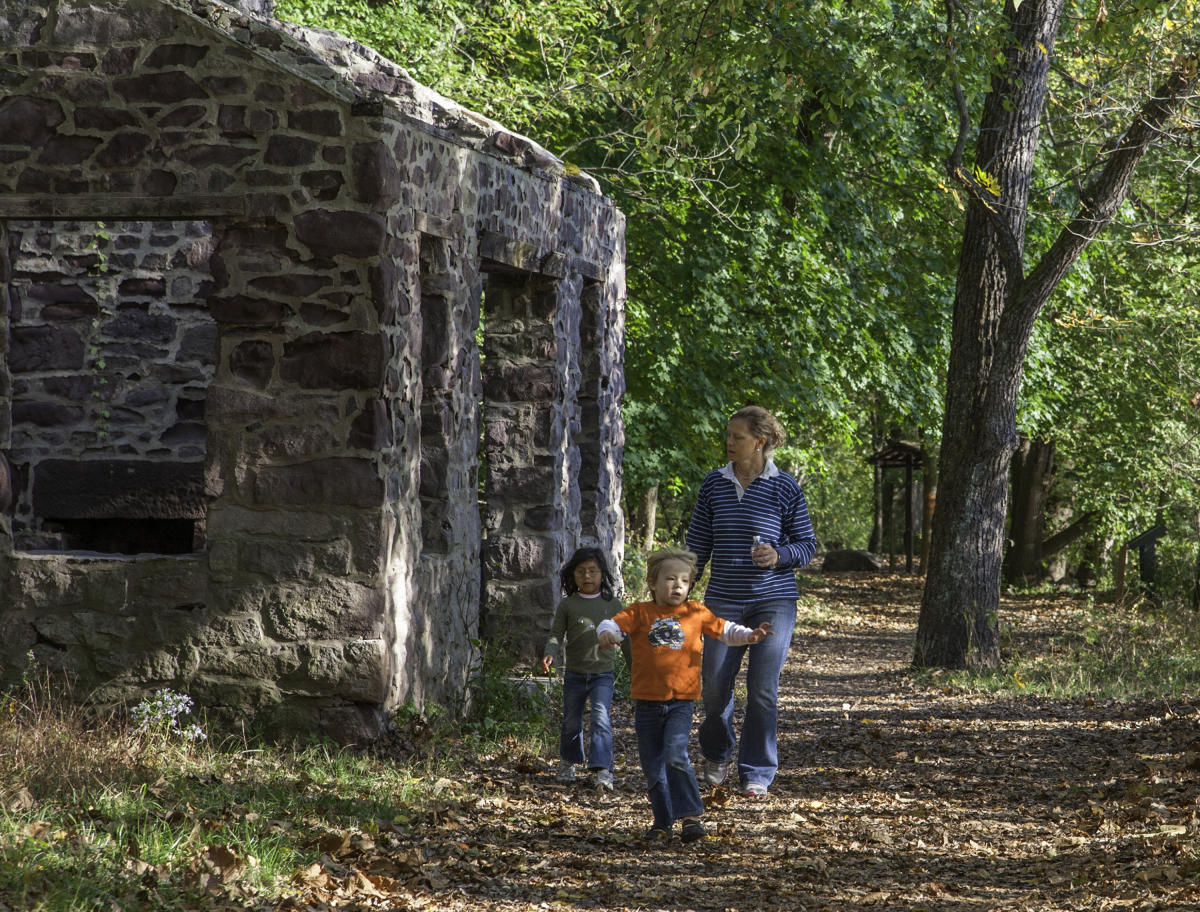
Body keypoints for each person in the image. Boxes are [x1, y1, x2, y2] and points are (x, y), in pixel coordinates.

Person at [686, 405, 817, 798]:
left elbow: (807, 546)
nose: (728, 442)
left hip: (773, 601)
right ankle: (717, 752)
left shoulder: (785, 487)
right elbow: (697, 544)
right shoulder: (713, 484)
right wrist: (680, 586)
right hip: (722, 599)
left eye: (737, 437)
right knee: (713, 686)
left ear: (759, 442)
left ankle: (757, 770)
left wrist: (780, 555)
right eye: (728, 435)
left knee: (762, 688)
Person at [597, 548, 770, 843]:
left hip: (680, 702)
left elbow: (725, 630)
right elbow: (611, 623)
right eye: (669, 579)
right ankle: (662, 822)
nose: (677, 585)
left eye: (684, 580)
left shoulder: (695, 612)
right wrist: (606, 633)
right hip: (647, 704)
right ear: (652, 582)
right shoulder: (640, 612)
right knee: (653, 768)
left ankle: (691, 817)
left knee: (676, 755)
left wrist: (749, 635)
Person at [541, 546, 626, 791]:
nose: (587, 577)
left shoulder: (613, 604)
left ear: (602, 574)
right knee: (571, 720)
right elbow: (557, 633)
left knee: (601, 718)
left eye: (592, 571)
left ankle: (603, 769)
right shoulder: (568, 605)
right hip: (575, 674)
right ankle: (568, 762)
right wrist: (550, 651)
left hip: (603, 674)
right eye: (581, 572)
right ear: (573, 575)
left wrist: (636, 666)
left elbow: (627, 636)